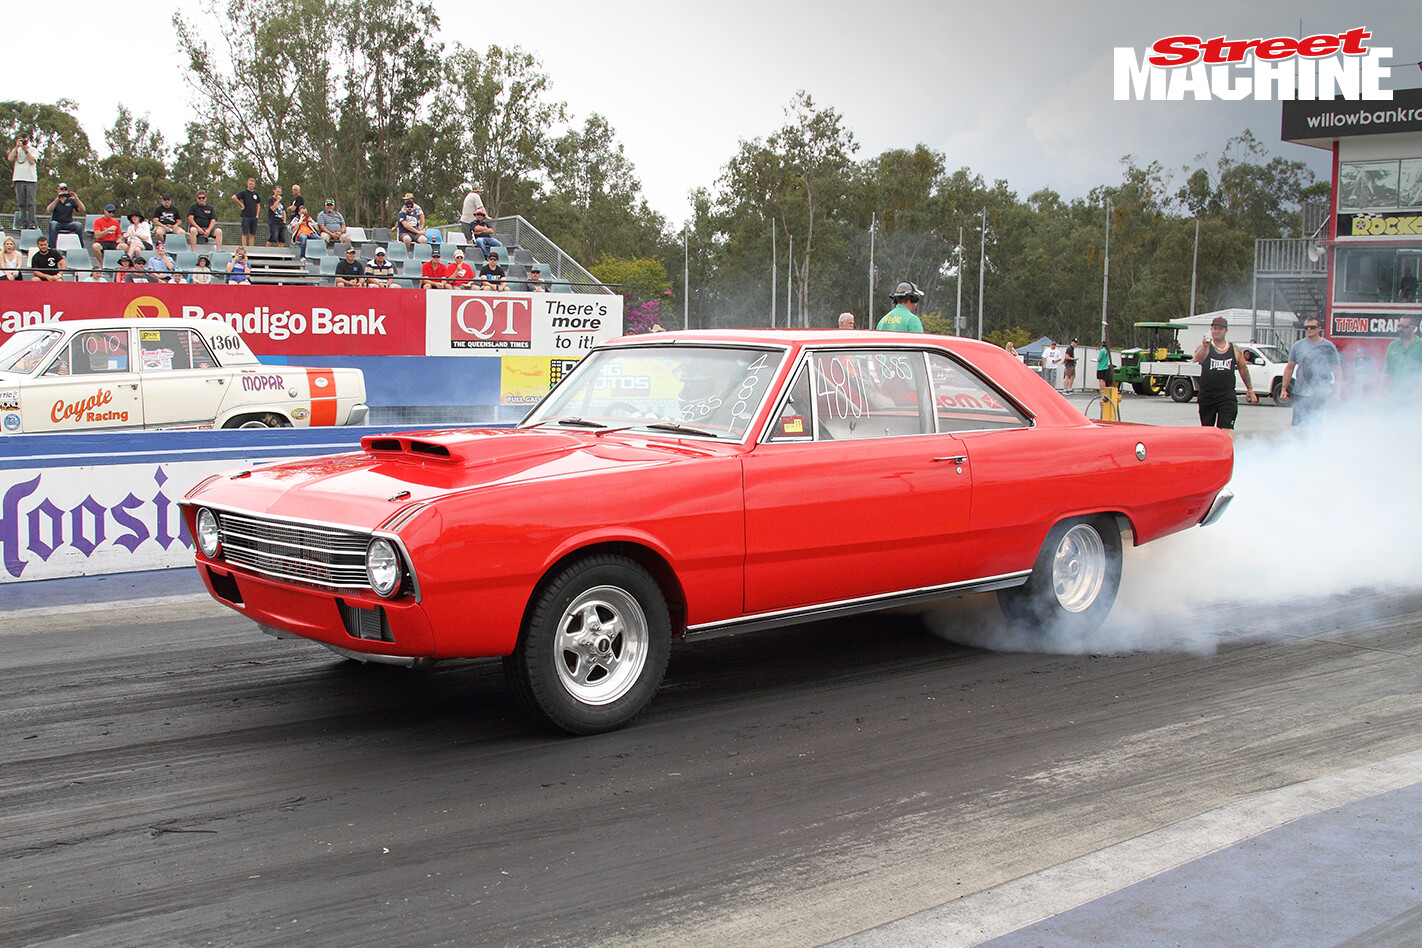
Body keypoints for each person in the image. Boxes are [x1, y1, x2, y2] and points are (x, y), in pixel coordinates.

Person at [1192, 316, 1257, 439]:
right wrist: (1205, 346)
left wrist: (1250, 390)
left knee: (1227, 428)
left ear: (1226, 330)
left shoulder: (1234, 349)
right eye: (1214, 328)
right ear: (1211, 329)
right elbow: (1197, 359)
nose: (1217, 331)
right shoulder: (1204, 347)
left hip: (1226, 396)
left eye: (1220, 329)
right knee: (1207, 431)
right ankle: (1210, 456)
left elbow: (1243, 369)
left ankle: (1227, 454)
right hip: (1207, 396)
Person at [1279, 318, 1340, 426]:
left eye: (1312, 327)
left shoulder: (1328, 346)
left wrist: (1337, 392)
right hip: (1301, 391)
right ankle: (1303, 442)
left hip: (1321, 392)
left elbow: (1337, 370)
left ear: (1319, 328)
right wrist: (1284, 388)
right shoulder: (1298, 346)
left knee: (1317, 422)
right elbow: (1289, 367)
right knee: (1302, 425)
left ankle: (1317, 442)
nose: (1309, 329)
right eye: (1306, 327)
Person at [1384, 314, 1422, 403]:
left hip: (1414, 399)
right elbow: (1386, 371)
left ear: (1413, 328)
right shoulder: (1393, 345)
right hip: (1394, 397)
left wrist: (1418, 392)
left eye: (1404, 326)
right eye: (1399, 326)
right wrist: (1380, 391)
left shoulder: (1420, 345)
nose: (1400, 329)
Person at [8, 135, 38, 230]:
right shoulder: (16, 150)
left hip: (30, 180)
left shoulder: (33, 150)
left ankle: (32, 223)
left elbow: (32, 161)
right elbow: (10, 158)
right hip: (18, 179)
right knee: (21, 203)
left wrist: (25, 150)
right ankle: (22, 222)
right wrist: (17, 147)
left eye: (25, 140)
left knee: (30, 203)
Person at [45, 183, 85, 248]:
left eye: (65, 189)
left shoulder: (71, 201)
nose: (63, 191)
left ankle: (80, 246)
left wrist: (76, 199)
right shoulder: (53, 200)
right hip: (57, 223)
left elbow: (82, 209)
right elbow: (49, 210)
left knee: (78, 225)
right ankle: (52, 247)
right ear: (58, 190)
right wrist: (57, 199)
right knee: (53, 224)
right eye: (61, 189)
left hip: (68, 223)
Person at [232, 179, 261, 247]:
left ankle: (251, 247)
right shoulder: (244, 192)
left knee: (252, 233)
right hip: (246, 216)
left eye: (252, 184)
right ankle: (244, 247)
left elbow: (258, 204)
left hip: (254, 216)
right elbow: (234, 197)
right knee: (245, 233)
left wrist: (257, 214)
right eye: (250, 184)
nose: (251, 185)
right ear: (247, 184)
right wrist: (241, 204)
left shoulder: (255, 193)